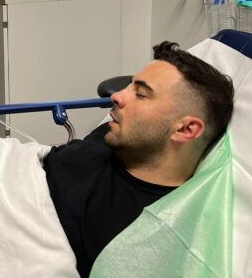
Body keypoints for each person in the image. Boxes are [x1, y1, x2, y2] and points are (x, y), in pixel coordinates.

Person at [43, 41, 235, 277]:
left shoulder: (140, 239)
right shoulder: (116, 139)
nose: (117, 96)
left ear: (185, 130)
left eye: (141, 94)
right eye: (129, 86)